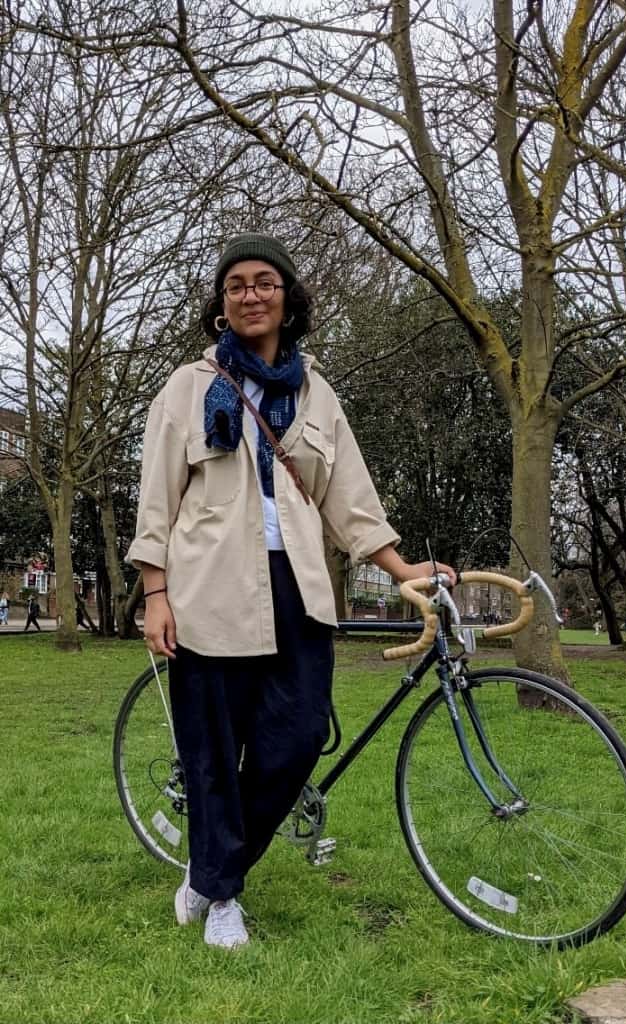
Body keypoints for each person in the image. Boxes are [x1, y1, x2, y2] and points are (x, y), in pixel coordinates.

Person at [127, 233, 455, 952]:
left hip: (298, 589)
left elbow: (350, 499)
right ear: (221, 304)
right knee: (213, 749)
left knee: (298, 740)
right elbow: (157, 495)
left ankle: (211, 870)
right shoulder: (188, 386)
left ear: (287, 297)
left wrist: (402, 571)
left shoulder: (314, 391)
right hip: (207, 589)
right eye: (236, 284)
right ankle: (222, 902)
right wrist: (156, 592)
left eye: (264, 282)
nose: (250, 294)